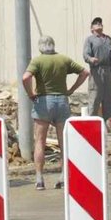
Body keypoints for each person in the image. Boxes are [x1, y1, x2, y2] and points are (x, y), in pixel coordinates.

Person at [22, 35, 88, 190]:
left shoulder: (37, 61)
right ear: (53, 45)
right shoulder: (63, 59)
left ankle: (39, 179)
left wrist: (30, 93)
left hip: (44, 102)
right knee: (63, 141)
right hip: (62, 101)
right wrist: (71, 89)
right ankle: (63, 176)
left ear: (40, 47)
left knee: (40, 141)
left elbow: (26, 77)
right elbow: (85, 72)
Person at [82, 15, 111, 120]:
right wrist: (91, 59)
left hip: (108, 71)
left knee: (108, 99)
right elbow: (85, 55)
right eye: (96, 23)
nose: (99, 24)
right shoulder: (90, 40)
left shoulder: (108, 39)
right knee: (95, 98)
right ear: (91, 28)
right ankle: (91, 124)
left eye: (100, 23)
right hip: (96, 72)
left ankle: (107, 126)